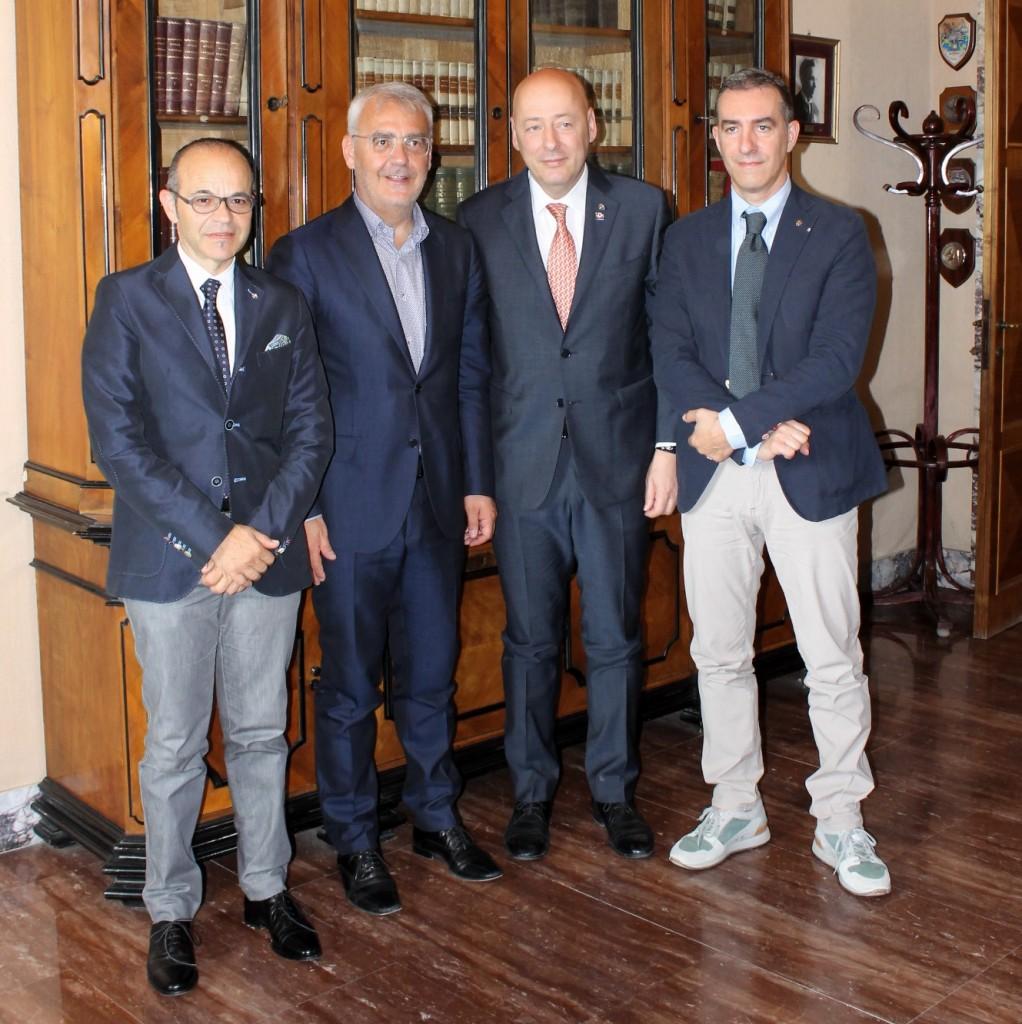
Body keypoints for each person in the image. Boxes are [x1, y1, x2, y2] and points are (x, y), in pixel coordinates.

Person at [81, 138, 333, 996]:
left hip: (266, 555)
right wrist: (214, 537)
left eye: (238, 200)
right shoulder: (125, 300)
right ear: (169, 205)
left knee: (263, 733)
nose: (224, 216)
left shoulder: (281, 302)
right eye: (204, 199)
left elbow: (311, 432)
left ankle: (266, 889)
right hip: (170, 559)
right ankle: (170, 910)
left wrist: (258, 532)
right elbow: (119, 443)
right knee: (176, 744)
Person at [650, 68, 891, 897]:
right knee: (718, 652)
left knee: (830, 654)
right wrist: (735, 429)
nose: (746, 142)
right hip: (715, 472)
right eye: (730, 127)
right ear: (715, 139)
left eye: (762, 126)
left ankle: (841, 817)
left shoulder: (841, 232)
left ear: (792, 134)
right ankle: (734, 804)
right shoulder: (686, 240)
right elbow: (669, 348)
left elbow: (836, 358)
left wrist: (743, 422)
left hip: (808, 467)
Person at [266, 82, 501, 918]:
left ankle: (436, 817)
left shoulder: (457, 249)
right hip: (347, 508)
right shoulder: (304, 253)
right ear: (351, 152)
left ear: (432, 155)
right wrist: (305, 506)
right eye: (383, 141)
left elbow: (468, 376)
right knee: (350, 688)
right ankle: (355, 839)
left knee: (432, 675)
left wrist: (476, 480)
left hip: (436, 501)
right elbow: (290, 397)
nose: (400, 158)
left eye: (414, 142)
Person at [457, 68, 677, 863]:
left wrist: (665, 448)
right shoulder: (477, 219)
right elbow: (471, 361)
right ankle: (531, 793)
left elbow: (667, 338)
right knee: (530, 641)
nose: (550, 141)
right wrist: (476, 478)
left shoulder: (645, 209)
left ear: (592, 125)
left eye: (564, 122)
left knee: (616, 636)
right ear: (513, 134)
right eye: (533, 125)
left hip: (617, 464)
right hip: (521, 470)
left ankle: (614, 791)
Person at [793, 57, 820, 125]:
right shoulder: (793, 105)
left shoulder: (816, 110)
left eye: (816, 79)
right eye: (811, 79)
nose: (815, 85)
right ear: (802, 78)